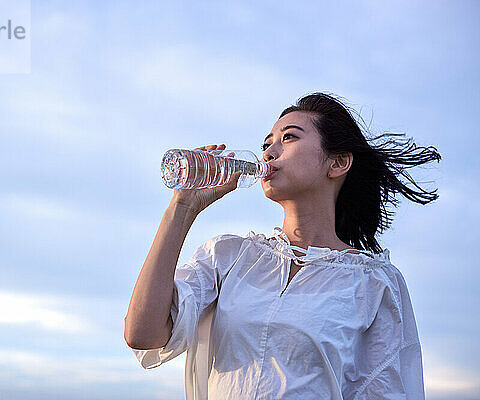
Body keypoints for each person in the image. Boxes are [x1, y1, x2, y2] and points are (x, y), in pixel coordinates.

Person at [123, 92, 441, 399]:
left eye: (288, 137)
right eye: (267, 143)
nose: (268, 152)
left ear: (338, 163)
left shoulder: (375, 283)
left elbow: (386, 391)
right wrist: (182, 207)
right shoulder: (229, 256)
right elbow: (142, 334)